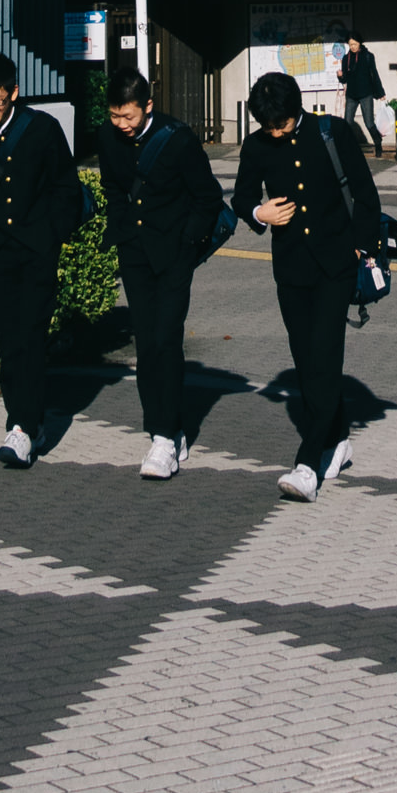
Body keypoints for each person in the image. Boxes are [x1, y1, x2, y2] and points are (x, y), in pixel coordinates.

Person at [231, 67, 383, 502]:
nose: (275, 133)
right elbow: (241, 196)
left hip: (336, 266)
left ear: (295, 110)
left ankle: (306, 462)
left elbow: (366, 196)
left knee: (324, 357)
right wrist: (261, 215)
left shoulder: (333, 132)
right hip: (291, 269)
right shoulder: (256, 144)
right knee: (305, 360)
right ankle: (338, 438)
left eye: (280, 124)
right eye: (267, 125)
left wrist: (361, 248)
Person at [95, 64, 228, 481]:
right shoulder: (107, 137)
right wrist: (119, 230)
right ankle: (161, 426)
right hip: (134, 255)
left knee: (167, 339)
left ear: (147, 105)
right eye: (115, 116)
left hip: (173, 256)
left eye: (129, 116)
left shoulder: (179, 140)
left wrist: (186, 244)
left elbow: (208, 199)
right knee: (146, 343)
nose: (122, 125)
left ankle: (165, 437)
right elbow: (113, 189)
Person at [0, 50, 84, 468]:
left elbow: (67, 188)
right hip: (0, 255)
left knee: (30, 336)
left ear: (14, 92)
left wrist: (52, 237)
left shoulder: (42, 129)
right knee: (10, 340)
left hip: (37, 252)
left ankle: (23, 427)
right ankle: (28, 423)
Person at [339, 35, 386, 159]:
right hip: (351, 95)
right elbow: (344, 79)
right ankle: (347, 148)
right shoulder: (346, 58)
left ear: (359, 43)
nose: (352, 47)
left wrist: (380, 93)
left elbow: (374, 74)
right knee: (347, 122)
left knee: (369, 122)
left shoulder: (368, 56)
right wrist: (340, 76)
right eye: (350, 45)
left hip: (366, 93)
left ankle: (378, 143)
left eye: (354, 44)